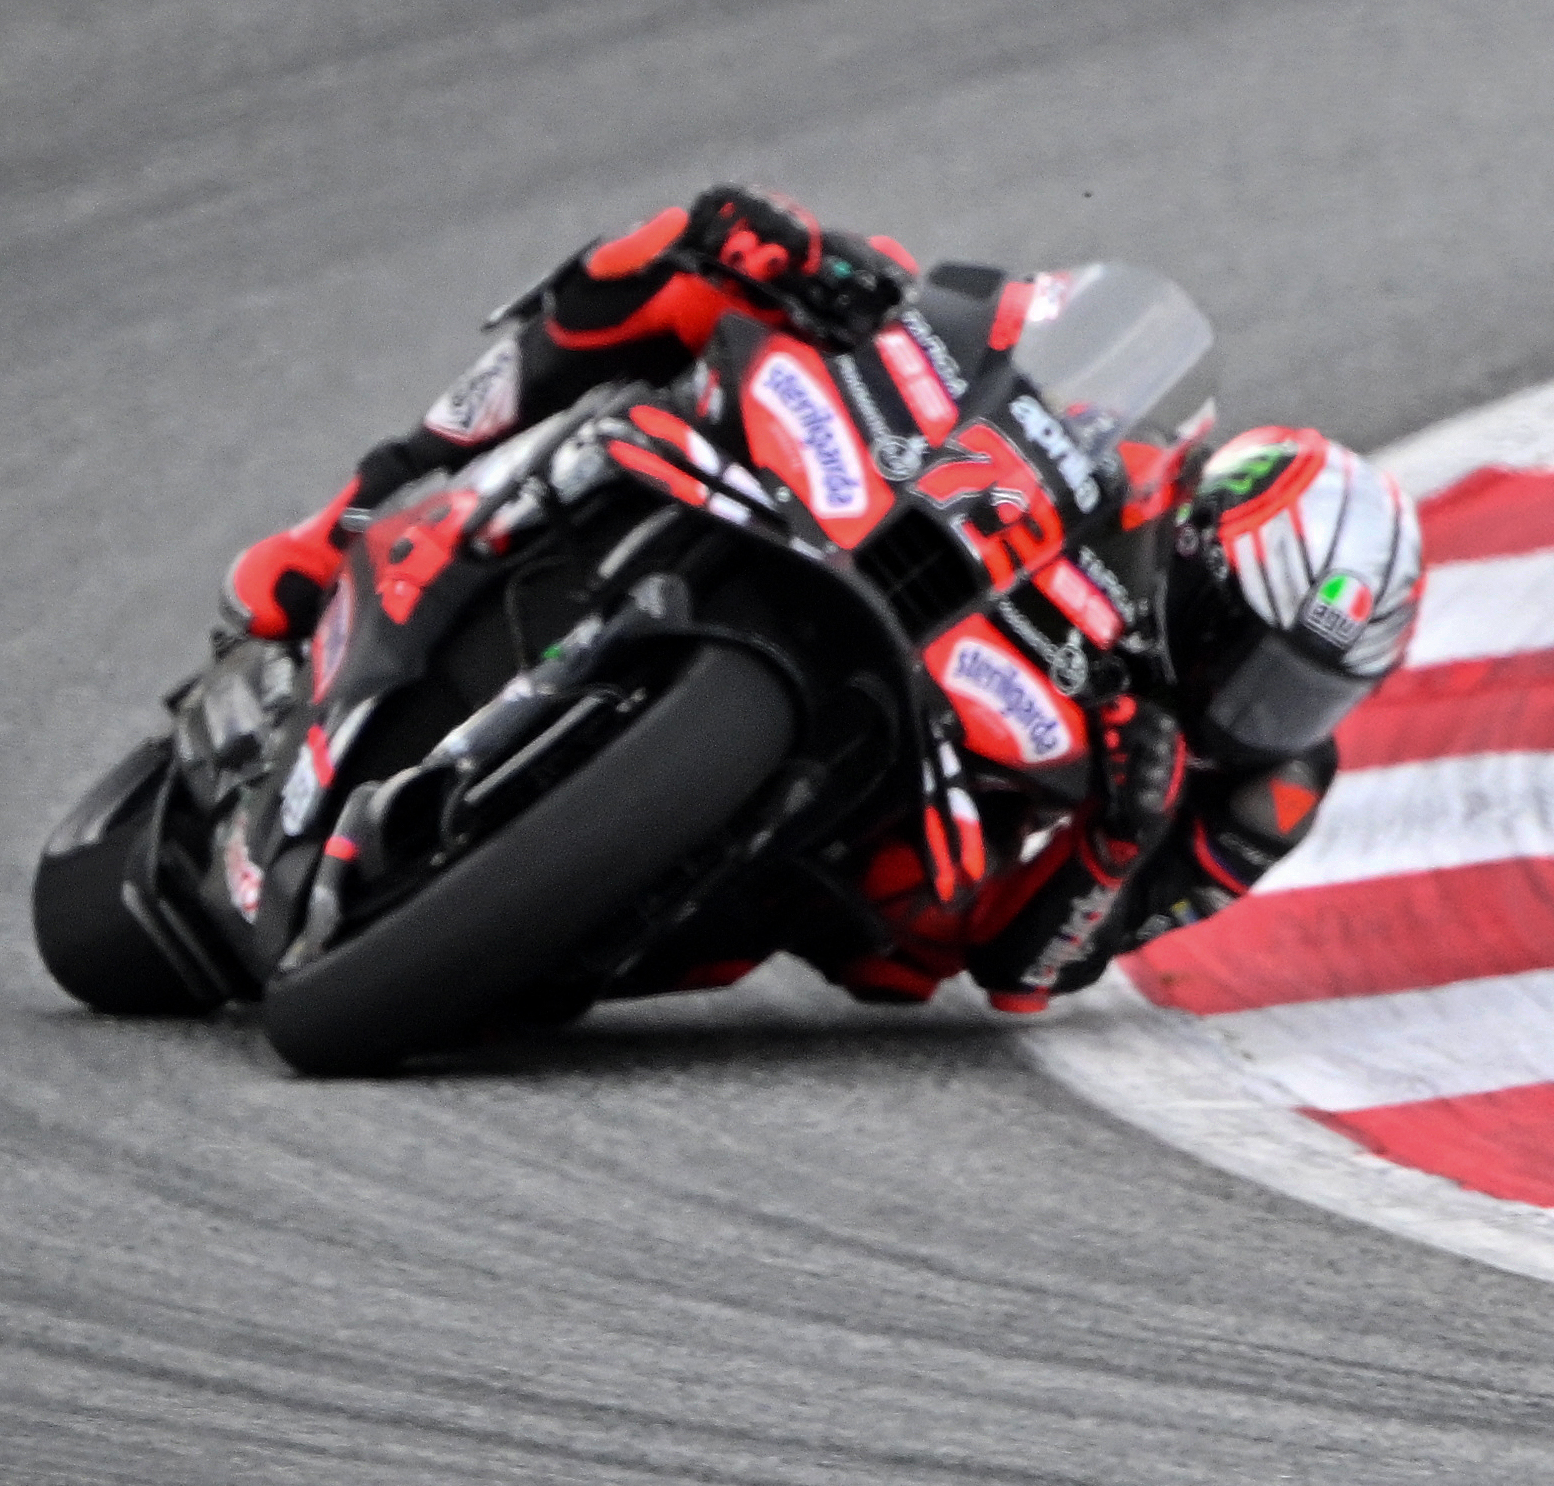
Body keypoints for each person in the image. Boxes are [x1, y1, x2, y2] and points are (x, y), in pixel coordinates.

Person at [219, 183, 1424, 1013]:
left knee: (900, 950)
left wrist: (1113, 848)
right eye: (1250, 661)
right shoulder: (1142, 484)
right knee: (701, 249)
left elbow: (1031, 974)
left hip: (920, 846)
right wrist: (835, 273)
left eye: (1299, 699)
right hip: (881, 551)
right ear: (1205, 559)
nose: (1253, 711)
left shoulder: (1263, 791)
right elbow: (1011, 333)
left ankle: (576, 897)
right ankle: (348, 521)